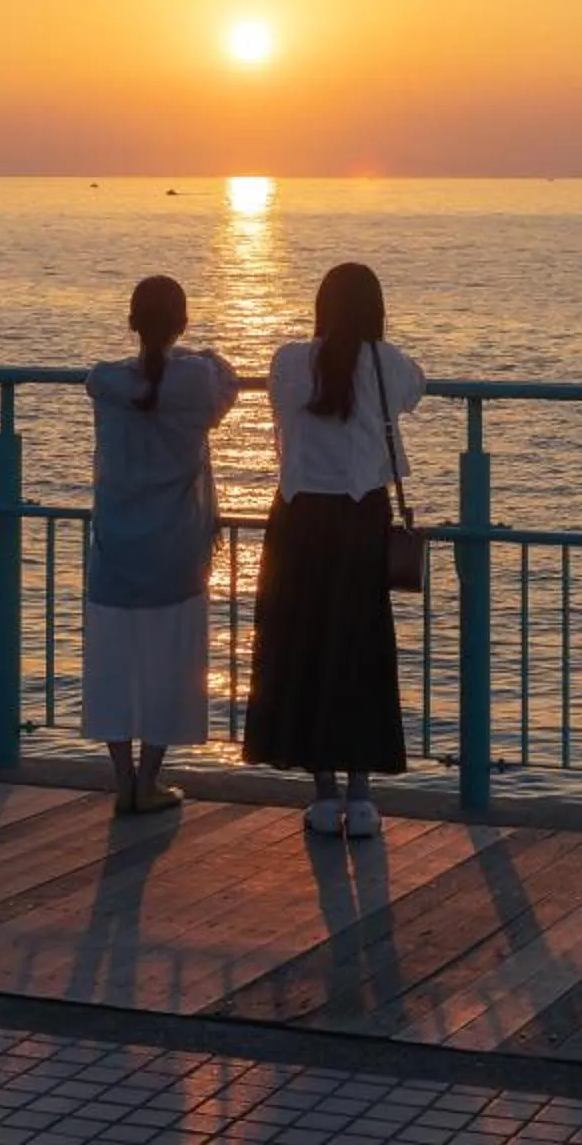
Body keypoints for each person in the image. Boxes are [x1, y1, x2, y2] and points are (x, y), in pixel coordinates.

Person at [241, 260, 422, 839]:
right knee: (362, 650)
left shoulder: (290, 361)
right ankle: (363, 797)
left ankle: (322, 796)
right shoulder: (387, 364)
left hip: (298, 520)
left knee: (303, 649)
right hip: (360, 517)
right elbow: (417, 386)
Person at [83, 275, 235, 817]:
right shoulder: (196, 383)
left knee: (115, 665)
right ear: (182, 323)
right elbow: (226, 379)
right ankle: (149, 780)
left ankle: (122, 779)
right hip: (176, 552)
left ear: (131, 322)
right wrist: (195, 350)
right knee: (171, 666)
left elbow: (100, 378)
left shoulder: (104, 383)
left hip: (114, 551)